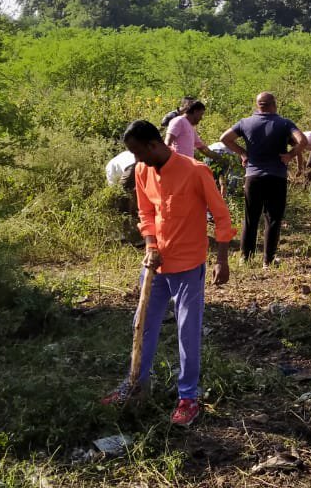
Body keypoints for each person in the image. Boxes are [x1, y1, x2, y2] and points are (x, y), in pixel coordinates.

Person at [100, 120, 235, 427]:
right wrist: (150, 243)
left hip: (188, 265)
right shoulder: (141, 171)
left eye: (137, 151)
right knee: (142, 323)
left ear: (153, 144)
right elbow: (146, 213)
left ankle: (188, 397)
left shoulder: (195, 170)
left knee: (187, 331)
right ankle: (134, 384)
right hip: (156, 266)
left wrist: (222, 261)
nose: (136, 159)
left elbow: (222, 216)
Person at [219, 92, 307, 266]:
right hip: (277, 177)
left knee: (251, 217)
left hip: (253, 177)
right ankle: (269, 260)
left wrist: (243, 152)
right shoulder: (284, 123)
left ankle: (245, 257)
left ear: (258, 105)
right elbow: (302, 140)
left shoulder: (245, 123)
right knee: (273, 219)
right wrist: (290, 155)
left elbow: (224, 138)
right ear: (274, 104)